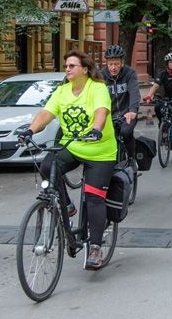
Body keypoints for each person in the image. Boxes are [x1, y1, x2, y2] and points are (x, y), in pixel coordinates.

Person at [19, 51, 116, 270]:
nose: (68, 69)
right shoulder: (62, 91)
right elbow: (46, 113)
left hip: (100, 151)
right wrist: (30, 130)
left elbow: (102, 111)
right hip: (74, 146)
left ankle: (95, 248)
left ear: (85, 69)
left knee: (94, 198)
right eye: (66, 65)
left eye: (72, 65)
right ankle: (67, 206)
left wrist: (96, 129)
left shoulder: (97, 88)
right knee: (46, 165)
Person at [100, 45, 140, 167]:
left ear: (122, 63)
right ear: (106, 63)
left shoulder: (129, 73)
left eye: (116, 64)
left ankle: (132, 158)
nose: (113, 67)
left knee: (126, 132)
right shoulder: (100, 76)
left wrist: (133, 110)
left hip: (126, 114)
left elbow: (134, 92)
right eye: (110, 64)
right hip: (108, 116)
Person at [144, 52, 172, 155]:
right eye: (171, 62)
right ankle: (164, 126)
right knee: (158, 107)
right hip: (167, 99)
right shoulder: (163, 74)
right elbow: (156, 85)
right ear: (167, 63)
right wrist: (149, 95)